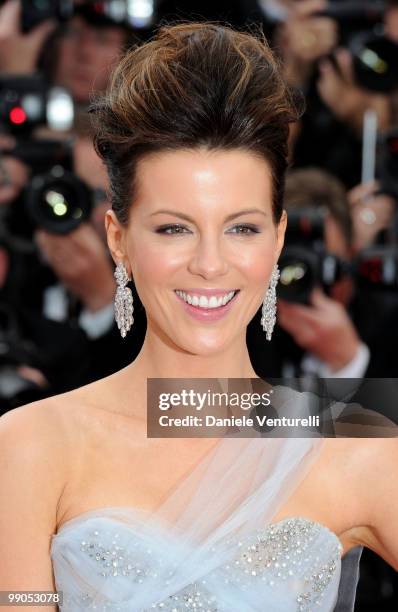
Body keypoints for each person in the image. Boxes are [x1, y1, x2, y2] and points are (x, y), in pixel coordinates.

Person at [0, 21, 397, 612]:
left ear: (278, 237)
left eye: (242, 228)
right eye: (173, 228)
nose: (210, 265)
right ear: (119, 239)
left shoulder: (353, 445)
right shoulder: (31, 444)